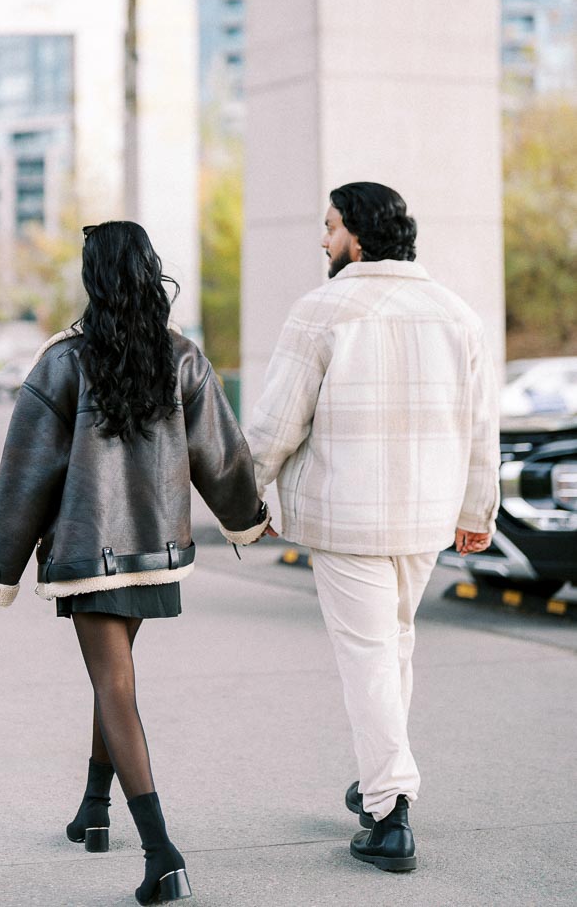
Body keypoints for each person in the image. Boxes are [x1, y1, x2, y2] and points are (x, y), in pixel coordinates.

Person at [0, 220, 270, 904]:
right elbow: (221, 455)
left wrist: (0, 566)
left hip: (88, 553)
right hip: (156, 553)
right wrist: (246, 516)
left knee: (114, 687)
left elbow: (25, 474)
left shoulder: (63, 361)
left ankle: (163, 854)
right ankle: (93, 810)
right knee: (116, 682)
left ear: (94, 277)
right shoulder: (180, 356)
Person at [247, 182, 499, 874]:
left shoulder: (323, 309)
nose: (322, 239)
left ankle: (390, 813)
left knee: (368, 657)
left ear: (356, 234)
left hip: (347, 515)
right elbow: (481, 429)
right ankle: (378, 780)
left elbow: (275, 424)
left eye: (329, 226)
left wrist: (245, 503)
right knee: (394, 648)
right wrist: (478, 512)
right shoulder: (455, 312)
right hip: (425, 518)